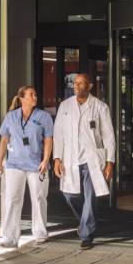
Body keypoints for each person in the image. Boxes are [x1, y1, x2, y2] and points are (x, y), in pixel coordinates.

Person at [53, 73, 115, 250]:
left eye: (81, 83)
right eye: (75, 83)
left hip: (92, 160)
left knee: (91, 198)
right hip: (70, 159)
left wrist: (110, 161)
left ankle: (86, 234)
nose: (76, 85)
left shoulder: (100, 107)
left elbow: (109, 136)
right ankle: (85, 221)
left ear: (90, 86)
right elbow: (58, 135)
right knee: (69, 195)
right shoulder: (65, 106)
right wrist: (57, 158)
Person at [0, 86, 54, 248]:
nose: (35, 97)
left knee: (39, 198)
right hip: (14, 164)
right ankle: (9, 237)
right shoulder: (11, 116)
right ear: (21, 98)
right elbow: (4, 140)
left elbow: (49, 140)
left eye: (35, 94)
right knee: (12, 199)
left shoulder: (44, 117)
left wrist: (45, 159)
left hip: (36, 165)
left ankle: (40, 233)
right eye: (31, 95)